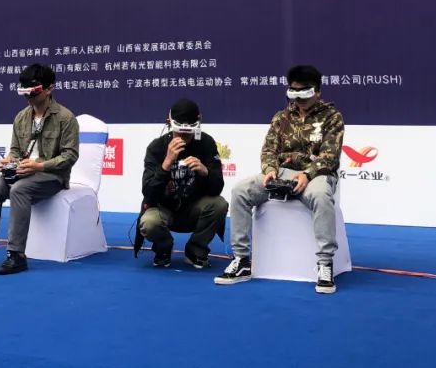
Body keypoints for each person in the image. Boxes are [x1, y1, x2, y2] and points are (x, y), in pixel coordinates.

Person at [214, 65, 344, 294]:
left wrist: (307, 174)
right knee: (241, 191)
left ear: (317, 91)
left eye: (304, 92)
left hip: (316, 175)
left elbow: (330, 156)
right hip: (282, 173)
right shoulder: (281, 117)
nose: (299, 98)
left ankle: (325, 263)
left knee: (321, 196)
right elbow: (268, 151)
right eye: (294, 91)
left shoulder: (332, 117)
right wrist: (270, 170)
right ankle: (242, 260)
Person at [0, 64, 79, 275]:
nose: (28, 97)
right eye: (25, 92)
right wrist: (9, 161)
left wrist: (39, 166)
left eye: (34, 91)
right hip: (22, 172)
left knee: (19, 189)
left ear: (49, 88)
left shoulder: (65, 118)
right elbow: (15, 151)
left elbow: (70, 156)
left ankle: (16, 254)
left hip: (52, 176)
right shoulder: (21, 117)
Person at [135, 98, 227, 269]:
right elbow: (148, 194)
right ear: (169, 123)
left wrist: (205, 172)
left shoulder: (206, 143)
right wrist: (166, 164)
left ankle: (196, 251)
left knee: (219, 204)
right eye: (179, 133)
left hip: (193, 210)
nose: (183, 137)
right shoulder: (157, 147)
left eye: (188, 133)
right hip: (164, 210)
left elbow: (217, 188)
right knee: (149, 221)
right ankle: (163, 249)